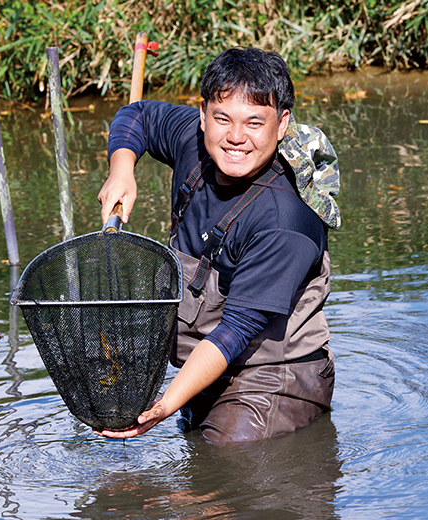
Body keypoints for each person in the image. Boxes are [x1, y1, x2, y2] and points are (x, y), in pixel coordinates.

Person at [96, 47, 340, 444]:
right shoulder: (193, 142)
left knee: (224, 472)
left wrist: (161, 407)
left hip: (272, 378)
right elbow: (135, 114)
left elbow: (236, 330)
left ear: (281, 125)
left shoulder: (286, 221)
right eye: (222, 118)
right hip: (204, 367)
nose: (236, 138)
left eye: (255, 123)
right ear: (203, 114)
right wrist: (122, 169)